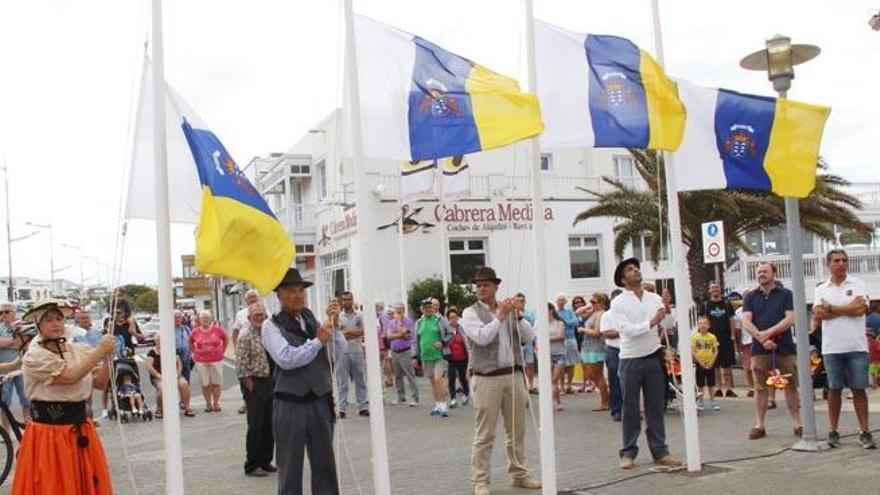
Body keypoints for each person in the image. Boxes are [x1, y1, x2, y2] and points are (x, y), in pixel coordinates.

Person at [12, 299, 117, 495]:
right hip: (50, 435)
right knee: (54, 485)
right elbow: (69, 377)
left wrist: (107, 358)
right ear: (38, 325)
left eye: (59, 319)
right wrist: (100, 351)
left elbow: (100, 384)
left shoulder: (76, 351)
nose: (55, 324)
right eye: (49, 320)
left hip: (79, 429)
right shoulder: (35, 356)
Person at [461, 266, 541, 495]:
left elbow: (528, 337)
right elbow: (482, 338)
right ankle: (481, 480)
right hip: (486, 378)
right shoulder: (470, 313)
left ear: (496, 287)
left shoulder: (507, 311)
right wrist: (500, 316)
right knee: (485, 433)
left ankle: (519, 474)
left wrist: (518, 315)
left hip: (513, 374)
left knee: (517, 430)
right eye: (478, 285)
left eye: (486, 284)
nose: (481, 289)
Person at [261, 268, 341, 495]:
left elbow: (336, 353)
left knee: (325, 463)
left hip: (318, 398)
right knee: (289, 467)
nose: (298, 296)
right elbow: (286, 359)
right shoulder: (271, 326)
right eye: (291, 291)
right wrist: (317, 342)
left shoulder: (309, 318)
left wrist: (334, 327)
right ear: (279, 295)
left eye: (300, 291)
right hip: (290, 402)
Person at [612, 258, 681, 470]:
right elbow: (626, 330)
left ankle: (660, 450)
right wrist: (651, 322)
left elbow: (668, 325)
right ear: (624, 280)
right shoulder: (618, 302)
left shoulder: (654, 298)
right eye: (630, 270)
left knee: (655, 406)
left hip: (652, 357)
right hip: (630, 360)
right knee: (631, 407)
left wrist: (667, 309)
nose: (636, 271)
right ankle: (628, 452)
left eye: (636, 268)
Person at [812, 249, 875, 449]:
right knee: (834, 389)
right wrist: (846, 308)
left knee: (859, 389)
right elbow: (818, 314)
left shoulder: (859, 284)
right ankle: (833, 430)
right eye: (836, 260)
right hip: (832, 348)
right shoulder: (821, 288)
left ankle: (865, 431)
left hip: (857, 346)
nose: (841, 263)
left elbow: (860, 310)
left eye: (844, 260)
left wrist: (832, 308)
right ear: (828, 264)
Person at [741, 262, 802, 440]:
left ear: (774, 274)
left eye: (765, 271)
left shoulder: (786, 294)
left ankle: (797, 423)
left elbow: (790, 319)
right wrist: (762, 338)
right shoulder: (750, 297)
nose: (761, 274)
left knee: (790, 386)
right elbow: (746, 322)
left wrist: (769, 333)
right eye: (759, 272)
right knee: (760, 388)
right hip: (760, 351)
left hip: (785, 349)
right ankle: (759, 425)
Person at [236, 302, 277, 476]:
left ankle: (266, 460)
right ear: (249, 318)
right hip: (254, 383)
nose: (259, 318)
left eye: (262, 315)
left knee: (269, 424)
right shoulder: (245, 335)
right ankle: (252, 464)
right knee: (256, 425)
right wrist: (250, 387)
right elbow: (241, 364)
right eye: (256, 315)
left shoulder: (268, 333)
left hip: (270, 382)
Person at [414, 298, 453, 418]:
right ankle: (438, 404)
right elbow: (415, 340)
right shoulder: (419, 322)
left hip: (439, 355)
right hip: (426, 356)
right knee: (432, 382)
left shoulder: (440, 320)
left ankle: (443, 405)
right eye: (425, 307)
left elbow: (450, 334)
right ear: (421, 309)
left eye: (430, 307)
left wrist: (442, 342)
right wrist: (415, 356)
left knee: (438, 379)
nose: (428, 309)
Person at [699, 282, 738, 398]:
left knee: (727, 365)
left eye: (716, 287)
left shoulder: (726, 304)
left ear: (720, 289)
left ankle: (729, 388)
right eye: (712, 288)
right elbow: (702, 321)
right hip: (710, 339)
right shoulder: (705, 305)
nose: (715, 289)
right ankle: (718, 388)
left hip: (726, 338)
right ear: (709, 291)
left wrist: (733, 335)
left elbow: (731, 320)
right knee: (715, 365)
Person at [334, 291, 368, 418]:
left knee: (360, 379)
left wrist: (346, 333)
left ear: (352, 300)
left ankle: (362, 406)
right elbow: (337, 333)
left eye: (349, 299)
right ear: (341, 302)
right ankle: (341, 408)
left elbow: (363, 331)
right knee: (342, 381)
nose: (347, 302)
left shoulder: (359, 315)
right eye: (344, 299)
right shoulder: (339, 316)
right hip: (342, 353)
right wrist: (352, 332)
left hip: (357, 351)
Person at [145, 333, 194, 419]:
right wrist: (159, 375)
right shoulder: (151, 353)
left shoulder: (171, 349)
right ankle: (159, 409)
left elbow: (179, 363)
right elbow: (149, 367)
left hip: (173, 374)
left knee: (184, 384)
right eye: (159, 341)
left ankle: (187, 407)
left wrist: (178, 374)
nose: (161, 342)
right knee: (162, 387)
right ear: (155, 341)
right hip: (158, 376)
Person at [189, 311, 228, 413]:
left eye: (207, 318)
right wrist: (193, 352)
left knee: (216, 382)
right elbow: (190, 341)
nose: (205, 320)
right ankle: (208, 403)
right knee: (205, 383)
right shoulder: (195, 331)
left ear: (211, 319)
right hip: (201, 360)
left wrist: (222, 351)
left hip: (216, 360)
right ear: (199, 320)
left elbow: (225, 339)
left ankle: (216, 403)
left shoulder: (217, 329)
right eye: (203, 318)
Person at [232, 289, 261, 414]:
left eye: (254, 297)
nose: (252, 299)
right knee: (245, 377)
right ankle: (246, 401)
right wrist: (236, 348)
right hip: (245, 350)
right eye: (250, 297)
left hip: (260, 351)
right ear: (246, 300)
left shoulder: (265, 311)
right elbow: (235, 332)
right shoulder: (240, 314)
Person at [0, 302, 29, 426]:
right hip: (4, 369)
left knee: (26, 400)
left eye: (7, 311)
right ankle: (6, 430)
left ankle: (29, 428)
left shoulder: (21, 326)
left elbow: (24, 344)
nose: (4, 314)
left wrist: (9, 343)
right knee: (4, 402)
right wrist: (14, 341)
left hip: (21, 368)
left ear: (13, 312)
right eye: (2, 312)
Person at [580, 292, 610, 411]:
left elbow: (597, 332)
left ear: (602, 303)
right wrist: (587, 306)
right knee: (590, 374)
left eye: (594, 302)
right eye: (590, 301)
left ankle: (605, 401)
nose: (591, 304)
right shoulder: (594, 312)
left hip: (596, 346)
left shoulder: (601, 314)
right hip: (587, 346)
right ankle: (607, 398)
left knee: (597, 375)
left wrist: (583, 329)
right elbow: (578, 313)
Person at [386, 303, 418, 406]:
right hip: (395, 351)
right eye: (397, 310)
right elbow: (389, 336)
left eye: (400, 309)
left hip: (405, 351)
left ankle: (415, 398)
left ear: (403, 310)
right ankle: (401, 396)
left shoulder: (408, 321)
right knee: (398, 376)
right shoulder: (391, 322)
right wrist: (400, 334)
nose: (398, 311)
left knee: (410, 375)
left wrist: (399, 323)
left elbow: (407, 335)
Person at [602, 289, 624, 422]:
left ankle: (631, 410)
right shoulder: (607, 315)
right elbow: (606, 332)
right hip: (614, 350)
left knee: (629, 382)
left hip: (628, 350)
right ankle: (617, 409)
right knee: (615, 381)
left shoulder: (628, 314)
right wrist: (623, 332)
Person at [691, 315, 720, 412]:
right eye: (700, 323)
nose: (702, 325)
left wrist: (712, 362)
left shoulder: (712, 337)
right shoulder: (695, 337)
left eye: (705, 323)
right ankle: (700, 402)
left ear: (708, 325)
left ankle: (713, 401)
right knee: (700, 384)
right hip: (700, 364)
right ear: (698, 325)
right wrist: (700, 362)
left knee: (711, 383)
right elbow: (694, 351)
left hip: (710, 363)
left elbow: (715, 350)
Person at [730, 292, 756, 397]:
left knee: (757, 367)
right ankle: (751, 387)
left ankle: (760, 386)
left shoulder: (757, 308)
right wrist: (738, 345)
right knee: (747, 367)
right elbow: (737, 330)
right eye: (745, 297)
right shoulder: (738, 312)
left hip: (757, 341)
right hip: (745, 342)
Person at [554, 294, 581, 394]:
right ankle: (561, 386)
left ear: (565, 302)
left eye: (562, 300)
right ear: (556, 302)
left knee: (571, 363)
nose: (561, 302)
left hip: (570, 339)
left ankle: (569, 385)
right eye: (559, 300)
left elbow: (576, 322)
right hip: (559, 341)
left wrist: (565, 322)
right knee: (561, 364)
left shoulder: (570, 312)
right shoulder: (555, 313)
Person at [446, 307, 471, 408]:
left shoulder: (462, 328)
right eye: (451, 318)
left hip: (463, 357)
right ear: (448, 319)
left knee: (463, 378)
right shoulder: (446, 330)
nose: (453, 319)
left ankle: (466, 394)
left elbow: (467, 341)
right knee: (451, 378)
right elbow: (444, 342)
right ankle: (453, 399)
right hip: (451, 358)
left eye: (455, 317)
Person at [515, 293, 538, 393]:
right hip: (516, 342)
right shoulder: (512, 312)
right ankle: (521, 385)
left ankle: (531, 384)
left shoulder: (530, 313)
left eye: (522, 301)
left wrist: (534, 342)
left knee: (530, 364)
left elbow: (534, 326)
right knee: (519, 364)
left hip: (528, 342)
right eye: (518, 301)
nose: (520, 303)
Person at [547, 302, 567, 411]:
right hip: (547, 354)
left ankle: (548, 402)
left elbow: (560, 336)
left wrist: (546, 338)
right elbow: (536, 336)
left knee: (554, 379)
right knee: (551, 380)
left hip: (559, 353)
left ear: (551, 310)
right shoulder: (540, 323)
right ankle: (558, 402)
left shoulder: (559, 323)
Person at [376, 302, 395, 388]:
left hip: (382, 340)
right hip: (382, 340)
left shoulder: (382, 316)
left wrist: (384, 343)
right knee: (385, 360)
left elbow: (385, 329)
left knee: (385, 360)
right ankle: (388, 379)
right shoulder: (381, 315)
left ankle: (389, 379)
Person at [173, 310, 193, 383]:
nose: (178, 319)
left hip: (186, 358)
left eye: (179, 317)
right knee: (175, 381)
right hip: (174, 359)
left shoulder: (186, 329)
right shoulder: (168, 329)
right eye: (175, 317)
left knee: (186, 381)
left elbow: (191, 341)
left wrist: (191, 354)